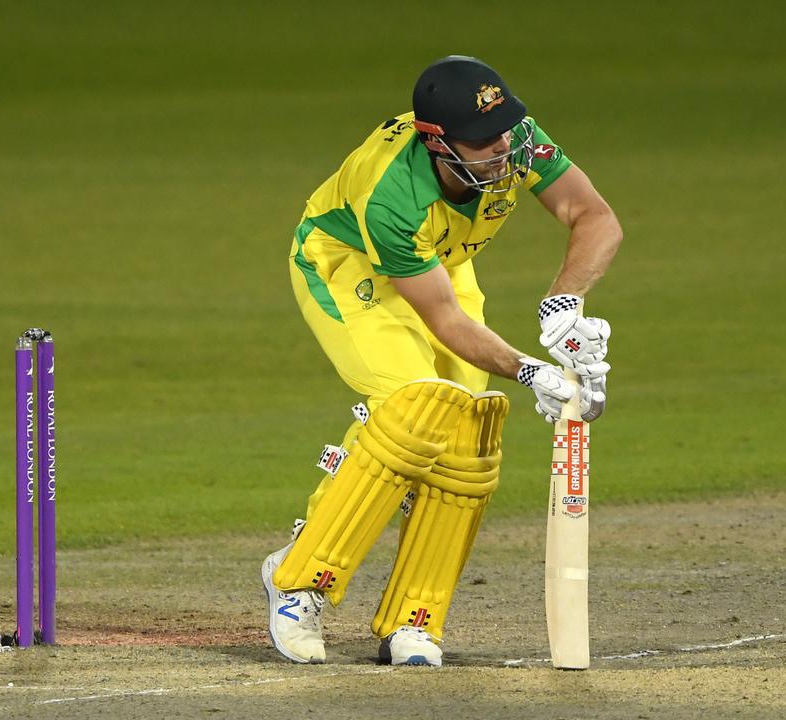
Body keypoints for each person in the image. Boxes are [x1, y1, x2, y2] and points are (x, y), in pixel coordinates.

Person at [261, 55, 621, 667]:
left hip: (441, 263)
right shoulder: (392, 197)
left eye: (505, 130)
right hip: (347, 264)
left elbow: (594, 217)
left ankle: (414, 620)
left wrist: (565, 303)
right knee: (412, 406)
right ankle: (299, 581)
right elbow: (447, 322)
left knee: (465, 433)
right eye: (483, 142)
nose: (502, 149)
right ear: (437, 143)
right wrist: (530, 369)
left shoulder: (516, 139)